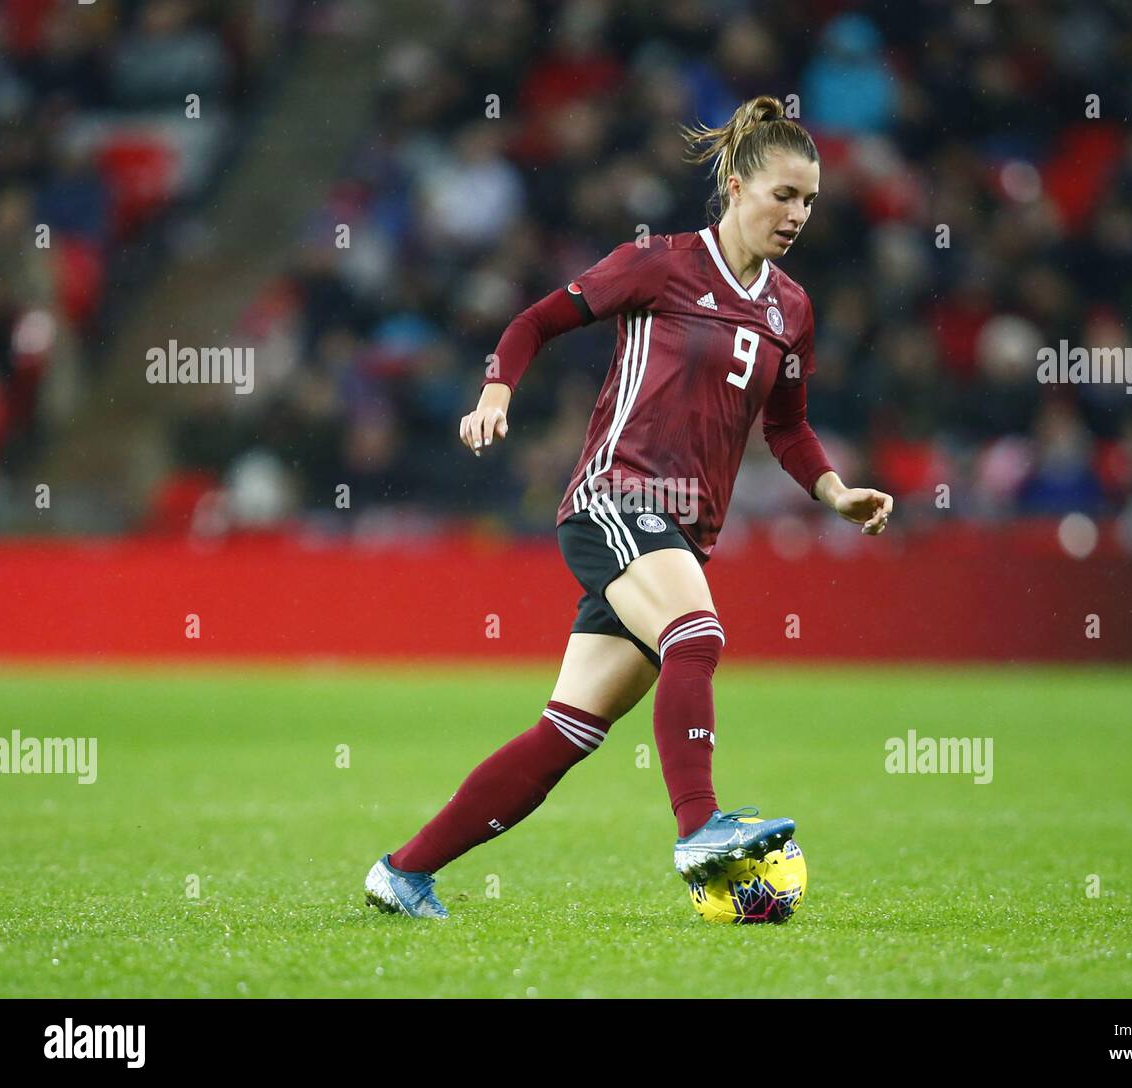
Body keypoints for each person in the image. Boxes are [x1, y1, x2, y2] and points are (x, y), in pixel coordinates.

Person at [365, 95, 893, 919]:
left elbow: (787, 428)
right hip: (619, 496)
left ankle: (403, 871)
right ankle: (701, 830)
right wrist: (497, 390)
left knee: (566, 733)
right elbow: (538, 320)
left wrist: (835, 492)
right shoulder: (661, 263)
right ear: (738, 185)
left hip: (685, 530)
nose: (797, 214)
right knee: (698, 634)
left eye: (810, 201)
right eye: (783, 195)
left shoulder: (792, 309)